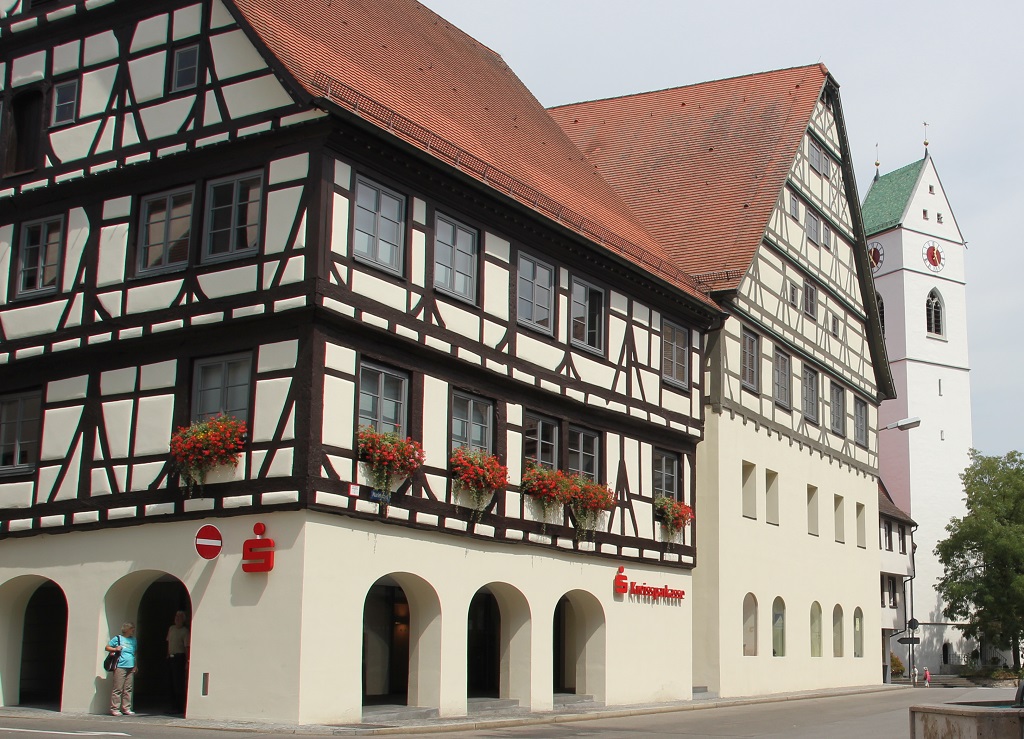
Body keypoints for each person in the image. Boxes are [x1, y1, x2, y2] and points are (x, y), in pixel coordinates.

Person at [105, 622, 138, 716]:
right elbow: (107, 647)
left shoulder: (134, 640)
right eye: (131, 629)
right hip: (120, 665)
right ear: (126, 629)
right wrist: (115, 649)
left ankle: (126, 708)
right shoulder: (118, 638)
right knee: (118, 688)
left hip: (130, 665)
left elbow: (134, 653)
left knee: (128, 688)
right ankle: (114, 708)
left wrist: (135, 665)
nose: (133, 631)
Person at [166, 610, 190, 714]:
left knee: (178, 683)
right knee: (169, 682)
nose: (177, 619)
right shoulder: (171, 629)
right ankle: (171, 706)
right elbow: (168, 642)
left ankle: (179, 707)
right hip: (170, 657)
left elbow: (186, 647)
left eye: (180, 617)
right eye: (176, 616)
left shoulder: (185, 631)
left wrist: (187, 660)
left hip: (179, 657)